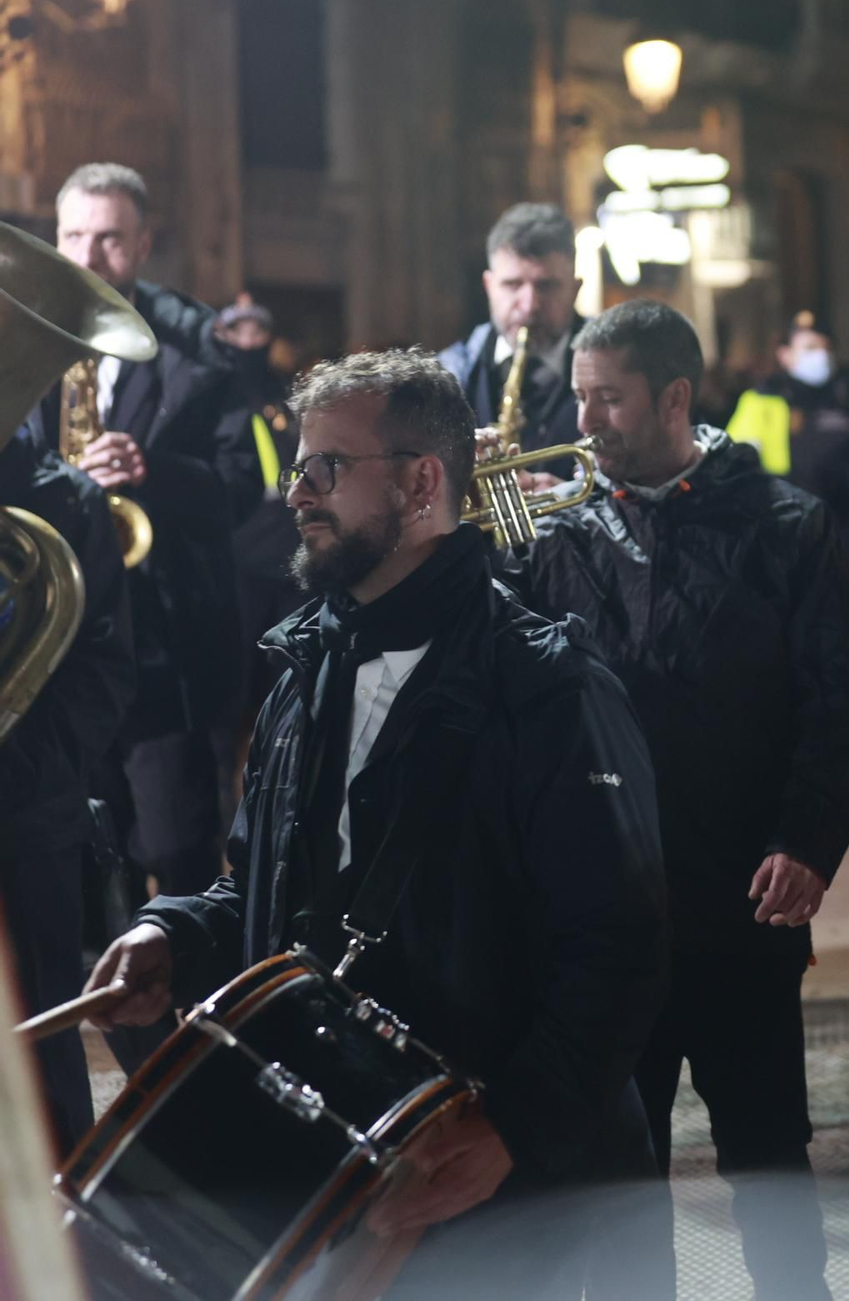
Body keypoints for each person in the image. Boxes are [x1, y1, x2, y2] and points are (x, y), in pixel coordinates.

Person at [85, 350, 670, 1296]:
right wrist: (174, 931)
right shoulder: (303, 670)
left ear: (422, 480)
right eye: (296, 468)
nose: (296, 494)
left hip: (515, 1197)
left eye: (325, 468)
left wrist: (512, 1126)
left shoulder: (549, 692)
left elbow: (621, 949)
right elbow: (260, 885)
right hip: (356, 1164)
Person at [495, 299, 849, 1301]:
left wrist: (805, 842)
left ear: (673, 398)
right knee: (622, 1175)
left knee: (766, 1157)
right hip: (604, 916)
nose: (584, 423)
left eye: (607, 400)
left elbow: (837, 711)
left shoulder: (787, 526)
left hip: (739, 906)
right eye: (578, 398)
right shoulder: (554, 532)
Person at [31, 162, 259, 900]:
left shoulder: (200, 356)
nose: (89, 258)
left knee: (176, 844)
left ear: (145, 242)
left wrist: (150, 469)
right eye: (73, 236)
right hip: (54, 645)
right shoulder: (26, 338)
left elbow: (242, 485)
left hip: (163, 651)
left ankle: (185, 1004)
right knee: (80, 856)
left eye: (109, 239)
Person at [0, 430, 134, 1154]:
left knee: (44, 1050)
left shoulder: (66, 499)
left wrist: (16, 766)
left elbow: (103, 675)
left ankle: (62, 1239)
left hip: (25, 823)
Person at [727, 311, 849, 595]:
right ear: (785, 355)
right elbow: (734, 467)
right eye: (810, 348)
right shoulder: (761, 400)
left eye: (826, 347)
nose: (820, 356)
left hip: (847, 528)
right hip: (784, 534)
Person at [214, 294, 303, 736]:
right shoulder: (213, 394)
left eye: (258, 330)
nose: (249, 340)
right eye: (238, 330)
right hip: (237, 563)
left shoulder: (282, 394)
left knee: (285, 683)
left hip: (289, 562)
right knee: (235, 690)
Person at [439, 203, 585, 455]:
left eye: (547, 286)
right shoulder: (450, 372)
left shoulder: (616, 367)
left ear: (574, 289)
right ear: (488, 286)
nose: (529, 306)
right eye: (512, 285)